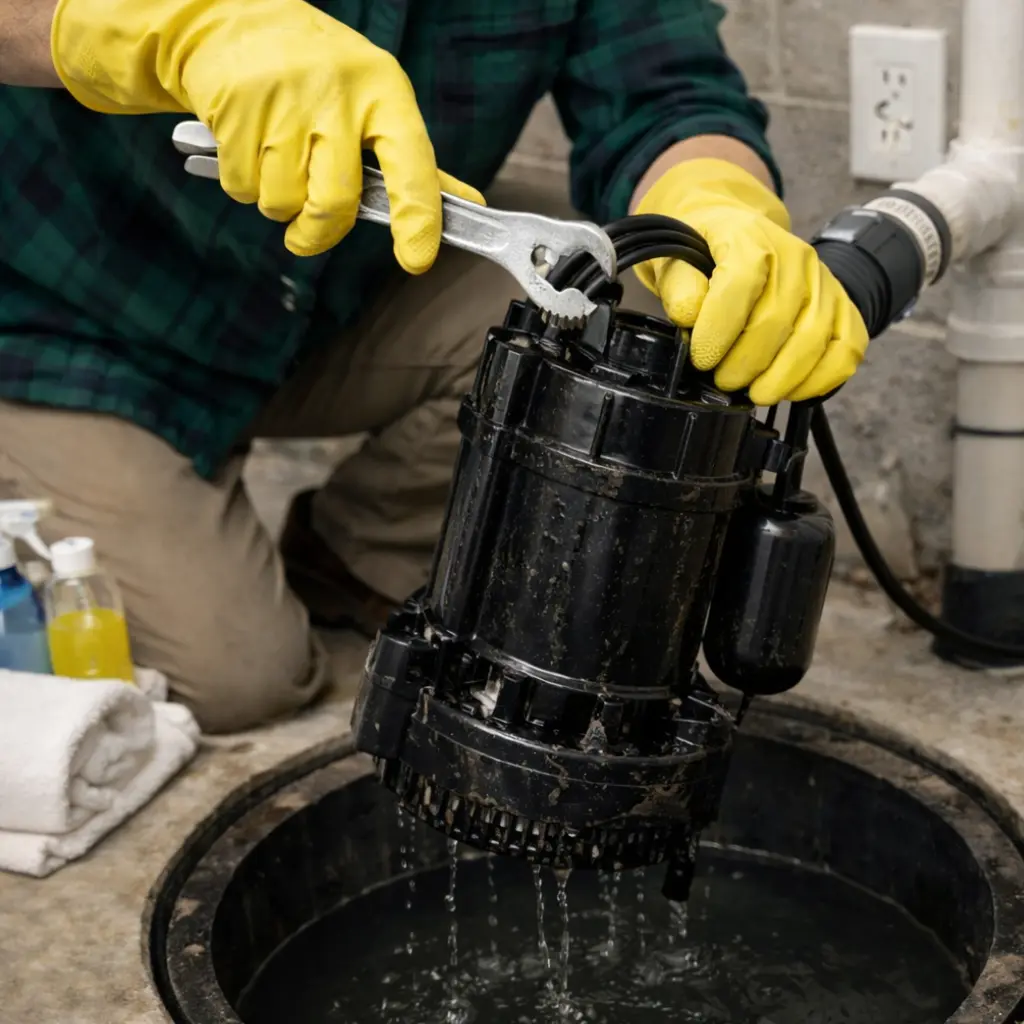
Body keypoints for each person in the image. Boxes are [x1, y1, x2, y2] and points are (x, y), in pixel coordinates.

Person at [0, 0, 869, 733]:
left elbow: (667, 89)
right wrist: (165, 29)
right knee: (237, 681)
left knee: (637, 305)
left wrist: (717, 201)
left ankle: (350, 554)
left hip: (332, 293)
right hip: (66, 313)